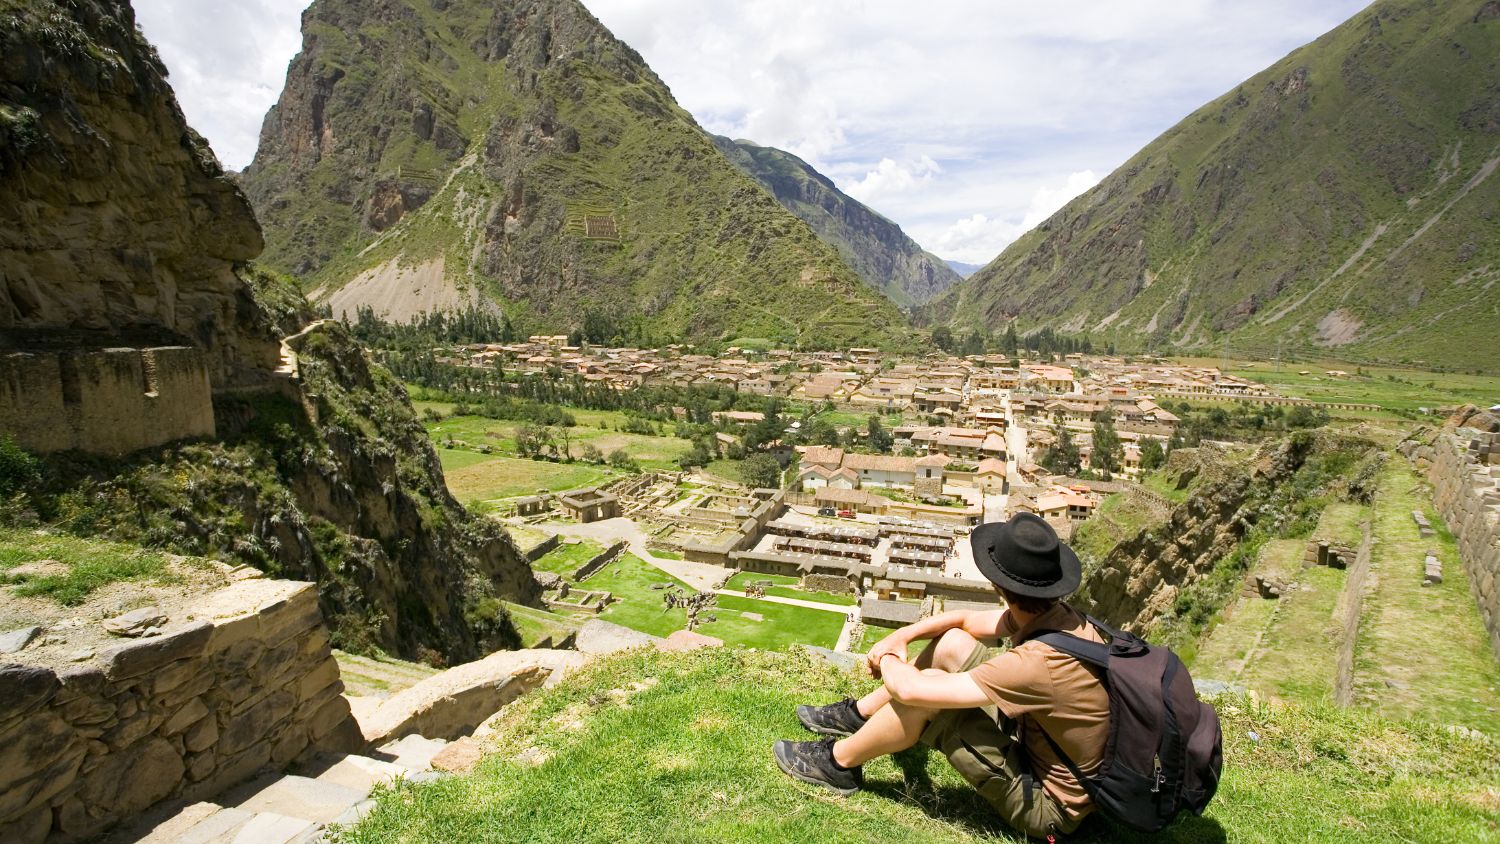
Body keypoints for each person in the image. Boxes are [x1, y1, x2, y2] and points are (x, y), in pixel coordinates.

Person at [773, 513, 1108, 840]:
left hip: (1047, 805)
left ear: (998, 585)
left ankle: (837, 764)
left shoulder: (1037, 663)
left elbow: (910, 689)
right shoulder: (1059, 617)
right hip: (1038, 740)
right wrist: (900, 637)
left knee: (927, 696)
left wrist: (887, 657)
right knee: (954, 644)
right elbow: (963, 621)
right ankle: (862, 716)